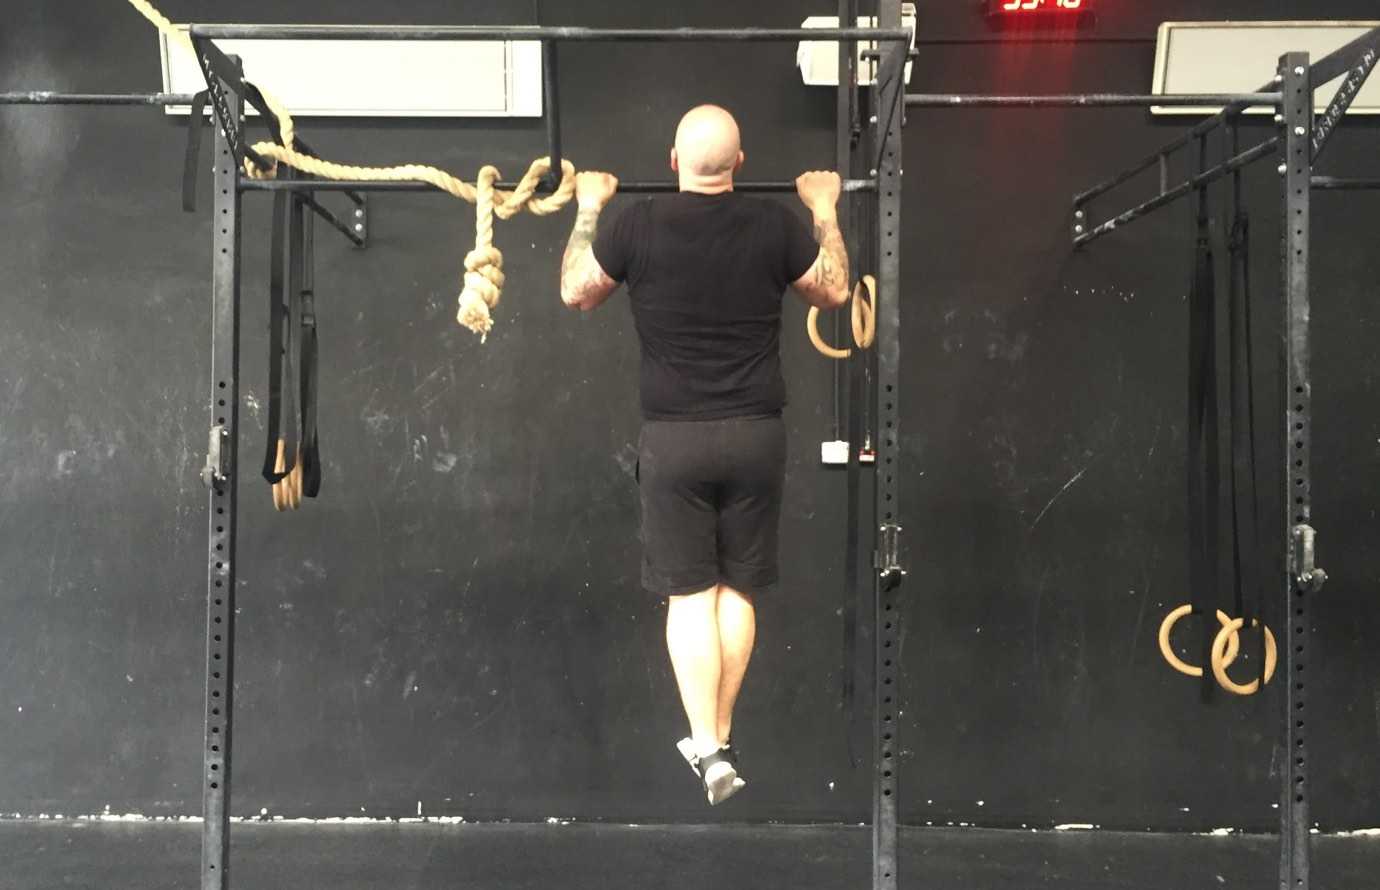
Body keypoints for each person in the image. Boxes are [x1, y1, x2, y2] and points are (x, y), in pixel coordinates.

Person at [557, 104, 850, 805]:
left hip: (676, 439)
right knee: (737, 589)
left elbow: (575, 290)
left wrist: (591, 207)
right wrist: (826, 208)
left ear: (671, 161)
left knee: (690, 596)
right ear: (742, 165)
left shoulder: (637, 223)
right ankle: (715, 737)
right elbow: (835, 289)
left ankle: (709, 744)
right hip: (756, 435)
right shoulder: (777, 225)